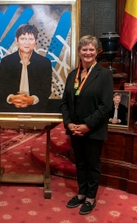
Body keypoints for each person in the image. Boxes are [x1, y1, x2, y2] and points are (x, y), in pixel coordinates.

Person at [60, 35, 113, 215]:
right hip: (74, 130)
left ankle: (91, 197)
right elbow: (65, 103)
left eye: (91, 49)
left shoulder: (104, 74)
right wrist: (69, 124)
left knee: (92, 165)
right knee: (80, 163)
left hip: (93, 130)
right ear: (79, 52)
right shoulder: (71, 75)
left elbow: (106, 105)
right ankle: (81, 193)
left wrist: (87, 125)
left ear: (96, 52)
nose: (88, 52)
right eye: (84, 49)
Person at [0, 24, 52, 112]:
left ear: (36, 41)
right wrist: (12, 98)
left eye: (30, 39)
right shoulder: (6, 61)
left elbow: (46, 90)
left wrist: (32, 100)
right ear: (17, 40)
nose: (26, 43)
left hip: (36, 109)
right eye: (23, 39)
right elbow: (1, 90)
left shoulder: (44, 62)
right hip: (10, 109)